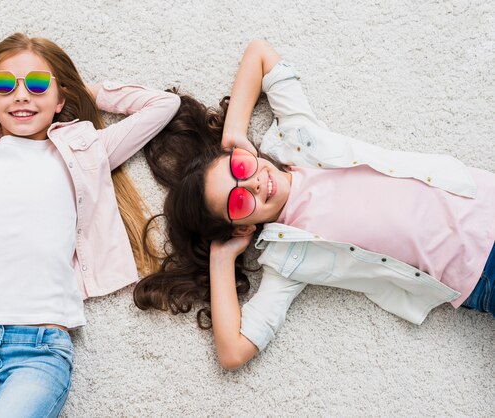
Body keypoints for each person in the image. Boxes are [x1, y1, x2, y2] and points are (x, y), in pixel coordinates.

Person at [133, 39, 495, 370]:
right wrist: (221, 257)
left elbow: (259, 53)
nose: (255, 182)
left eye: (240, 168)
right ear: (242, 228)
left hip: (478, 195)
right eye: (240, 199)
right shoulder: (289, 260)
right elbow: (232, 352)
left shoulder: (301, 140)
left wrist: (233, 132)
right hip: (478, 275)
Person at [0, 33, 180, 417]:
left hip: (41, 349)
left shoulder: (89, 152)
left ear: (60, 100)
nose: (21, 95)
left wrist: (73, 87)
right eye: (6, 85)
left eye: (36, 84)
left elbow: (163, 104)